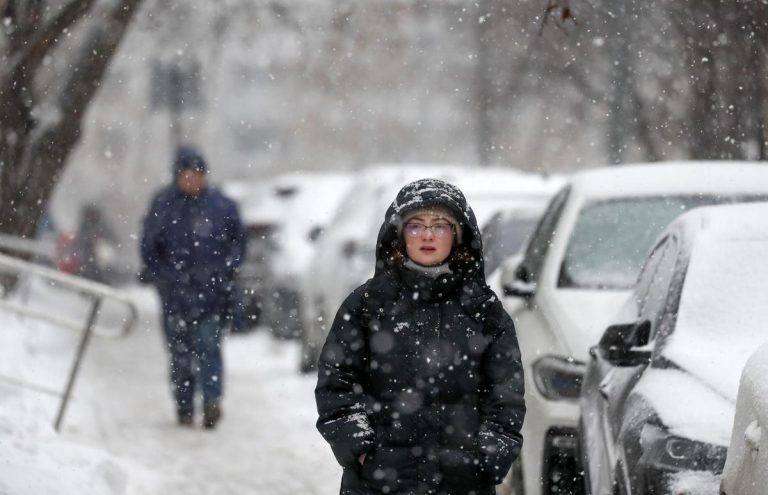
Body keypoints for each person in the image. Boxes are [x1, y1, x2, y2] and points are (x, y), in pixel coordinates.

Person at [315, 178, 526, 494]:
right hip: (379, 483)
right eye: (416, 225)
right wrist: (359, 447)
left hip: (461, 483)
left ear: (457, 236)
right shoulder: (367, 306)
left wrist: (489, 456)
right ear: (399, 235)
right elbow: (337, 385)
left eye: (441, 226)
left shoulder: (483, 311)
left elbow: (506, 395)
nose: (428, 234)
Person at [140, 145, 246, 429]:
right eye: (187, 174)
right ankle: (184, 406)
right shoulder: (163, 205)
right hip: (175, 297)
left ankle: (212, 401)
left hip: (211, 295)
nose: (193, 180)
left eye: (198, 174)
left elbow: (238, 243)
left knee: (209, 347)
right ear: (177, 176)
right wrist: (164, 277)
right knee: (180, 355)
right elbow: (149, 248)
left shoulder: (222, 206)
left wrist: (225, 272)